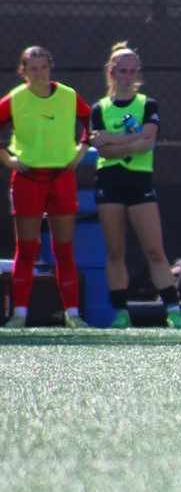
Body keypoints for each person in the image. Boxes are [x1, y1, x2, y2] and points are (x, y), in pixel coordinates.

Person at [88, 42, 181, 329]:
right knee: (115, 250)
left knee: (154, 249)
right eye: (122, 71)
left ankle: (174, 311)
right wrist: (129, 142)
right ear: (112, 73)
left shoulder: (148, 104)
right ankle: (121, 313)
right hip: (109, 183)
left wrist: (110, 139)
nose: (128, 76)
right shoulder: (100, 108)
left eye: (132, 71)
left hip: (139, 183)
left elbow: (147, 139)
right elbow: (102, 151)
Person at [0, 47, 91, 328]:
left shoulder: (68, 95)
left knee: (64, 250)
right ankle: (19, 315)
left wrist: (82, 150)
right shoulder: (15, 100)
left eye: (44, 67)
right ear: (23, 71)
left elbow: (91, 121)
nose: (40, 73)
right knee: (26, 249)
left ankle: (73, 314)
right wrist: (9, 160)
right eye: (34, 68)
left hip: (62, 178)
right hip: (28, 181)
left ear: (50, 68)